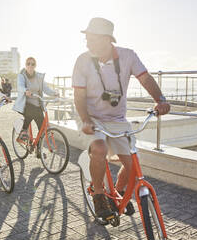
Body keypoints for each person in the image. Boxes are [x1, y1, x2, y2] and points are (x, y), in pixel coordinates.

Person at [72, 17, 170, 219]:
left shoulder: (127, 56)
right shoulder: (83, 60)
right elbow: (79, 97)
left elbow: (145, 78)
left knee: (132, 164)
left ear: (107, 39)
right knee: (99, 149)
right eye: (87, 38)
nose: (87, 42)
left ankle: (116, 192)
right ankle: (99, 194)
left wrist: (160, 99)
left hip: (116, 118)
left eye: (92, 38)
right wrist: (86, 120)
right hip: (89, 116)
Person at [13, 57, 58, 141]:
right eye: (28, 64)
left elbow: (45, 88)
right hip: (25, 104)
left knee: (42, 129)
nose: (30, 65)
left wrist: (54, 93)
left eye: (32, 64)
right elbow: (20, 86)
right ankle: (23, 130)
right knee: (32, 111)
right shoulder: (22, 76)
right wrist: (25, 90)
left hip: (38, 105)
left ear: (35, 66)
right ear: (25, 65)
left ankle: (38, 149)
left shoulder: (39, 77)